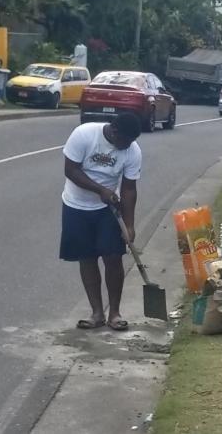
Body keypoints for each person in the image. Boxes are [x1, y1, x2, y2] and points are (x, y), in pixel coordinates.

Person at [59, 113, 142, 331]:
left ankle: (114, 313)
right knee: (87, 258)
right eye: (125, 141)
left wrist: (130, 225)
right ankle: (96, 313)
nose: (128, 146)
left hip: (108, 209)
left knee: (113, 257)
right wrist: (100, 190)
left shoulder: (132, 150)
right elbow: (70, 170)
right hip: (76, 205)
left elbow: (129, 188)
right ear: (114, 131)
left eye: (132, 141)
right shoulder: (84, 135)